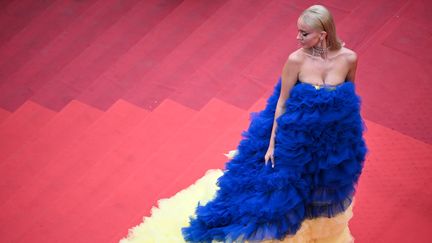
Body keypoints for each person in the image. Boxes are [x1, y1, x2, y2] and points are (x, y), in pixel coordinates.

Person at [120, 4, 367, 243]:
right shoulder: (296, 61)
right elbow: (281, 103)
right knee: (279, 195)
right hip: (295, 140)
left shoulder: (348, 59)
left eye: (304, 33)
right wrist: (272, 145)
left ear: (323, 34)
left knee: (318, 194)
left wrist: (347, 142)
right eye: (298, 31)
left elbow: (348, 98)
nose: (297, 37)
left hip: (331, 143)